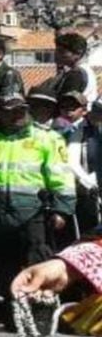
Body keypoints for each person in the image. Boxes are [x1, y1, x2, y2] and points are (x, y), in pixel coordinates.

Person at [0, 95, 77, 296]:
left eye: (21, 110)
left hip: (33, 213)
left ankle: (39, 311)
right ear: (0, 113)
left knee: (38, 262)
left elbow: (61, 176)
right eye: (11, 111)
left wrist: (62, 209)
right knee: (5, 266)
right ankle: (13, 312)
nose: (18, 115)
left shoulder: (46, 138)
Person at [72, 99, 102, 238]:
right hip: (88, 192)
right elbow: (72, 161)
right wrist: (88, 181)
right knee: (90, 233)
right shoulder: (80, 129)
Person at [47, 33, 96, 108]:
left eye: (62, 52)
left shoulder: (77, 74)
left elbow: (64, 101)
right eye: (56, 51)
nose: (56, 55)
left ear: (78, 53)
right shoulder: (84, 70)